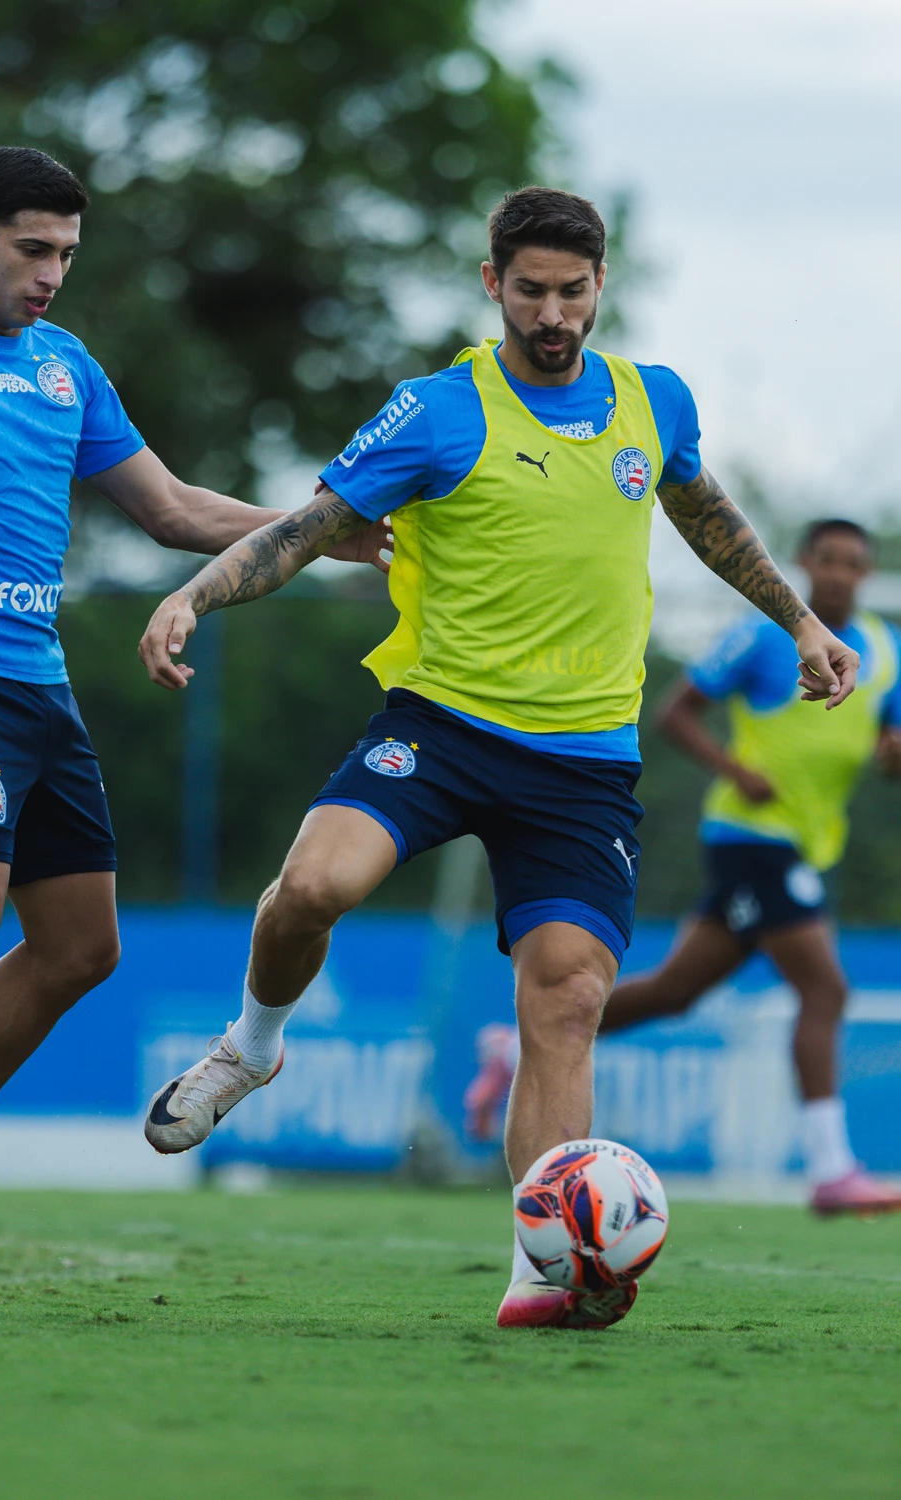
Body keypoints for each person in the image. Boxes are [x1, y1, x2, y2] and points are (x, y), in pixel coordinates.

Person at [137, 186, 857, 1331]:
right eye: (532, 290)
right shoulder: (437, 409)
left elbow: (711, 521)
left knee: (568, 998)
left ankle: (544, 1268)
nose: (554, 312)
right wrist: (196, 593)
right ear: (493, 285)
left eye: (574, 291)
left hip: (582, 766)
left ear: (600, 287)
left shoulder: (652, 402)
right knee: (315, 887)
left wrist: (805, 626)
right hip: (440, 729)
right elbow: (307, 529)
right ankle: (253, 1046)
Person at [0, 146, 386, 1313]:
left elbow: (174, 508)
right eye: (33, 250)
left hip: (40, 690)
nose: (51, 275)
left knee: (82, 949)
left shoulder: (64, 366)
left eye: (67, 256)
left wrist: (318, 530)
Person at [598, 519, 901, 1213]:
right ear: (804, 562)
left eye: (854, 564)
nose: (839, 575)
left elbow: (893, 745)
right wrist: (738, 769)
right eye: (827, 561)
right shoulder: (771, 633)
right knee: (824, 991)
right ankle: (830, 1171)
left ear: (866, 571)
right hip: (750, 834)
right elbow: (677, 713)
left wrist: (893, 758)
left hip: (805, 843)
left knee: (676, 992)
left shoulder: (887, 649)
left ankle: (517, 1047)